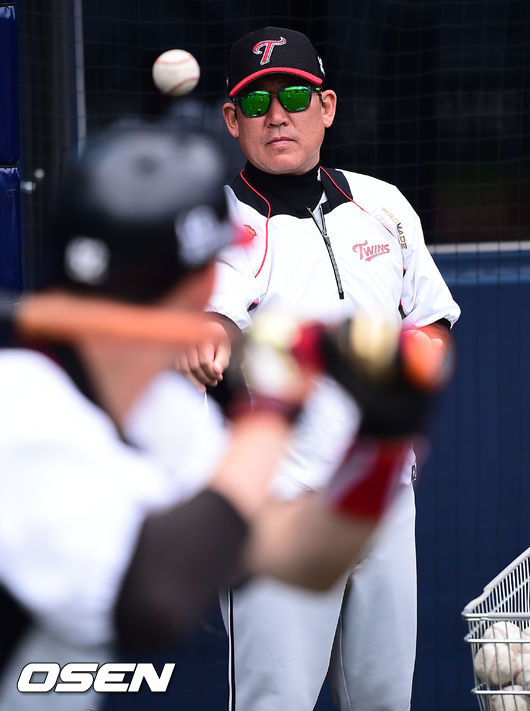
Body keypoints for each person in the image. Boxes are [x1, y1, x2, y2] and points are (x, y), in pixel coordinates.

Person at [0, 118, 451, 711]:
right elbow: (153, 602)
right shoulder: (24, 405)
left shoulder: (168, 416)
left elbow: (300, 556)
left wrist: (381, 445)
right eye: (204, 269)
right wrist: (275, 408)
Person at [177, 26, 461, 711]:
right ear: (232, 119)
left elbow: (431, 318)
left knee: (385, 701)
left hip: (382, 501)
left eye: (296, 96)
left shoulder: (382, 204)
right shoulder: (212, 223)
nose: (278, 115)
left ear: (326, 107)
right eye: (257, 102)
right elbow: (213, 316)